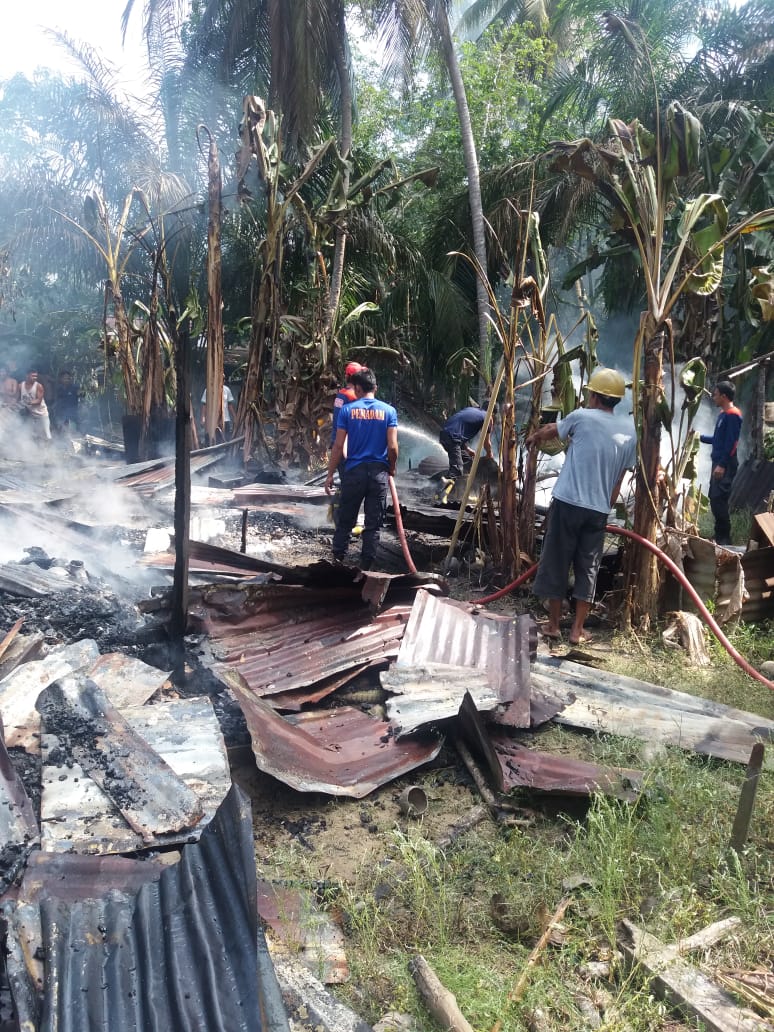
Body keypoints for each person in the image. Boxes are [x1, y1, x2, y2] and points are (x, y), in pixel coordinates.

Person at [525, 367, 636, 646]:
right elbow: (619, 478)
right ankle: (577, 630)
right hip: (598, 510)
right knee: (588, 568)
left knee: (557, 561)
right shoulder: (629, 431)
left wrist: (535, 436)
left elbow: (552, 430)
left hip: (568, 503)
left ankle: (553, 625)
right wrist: (604, 507)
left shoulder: (582, 416)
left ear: (596, 396)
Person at [324, 368, 398, 570]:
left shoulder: (347, 411)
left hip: (354, 473)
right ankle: (366, 566)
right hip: (378, 474)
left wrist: (330, 474)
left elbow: (338, 445)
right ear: (375, 388)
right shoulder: (389, 411)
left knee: (346, 520)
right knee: (373, 523)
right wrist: (391, 468)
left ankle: (337, 561)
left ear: (357, 388)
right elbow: (393, 447)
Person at [699, 380, 742, 546]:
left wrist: (722, 465)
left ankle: (724, 538)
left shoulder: (733, 415)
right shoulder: (723, 415)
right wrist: (699, 437)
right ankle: (719, 535)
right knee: (714, 497)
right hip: (718, 462)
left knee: (718, 498)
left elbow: (732, 443)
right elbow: (718, 439)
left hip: (725, 464)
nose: (713, 397)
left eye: (715, 394)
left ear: (724, 396)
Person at [439, 402, 494, 480]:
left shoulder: (470, 409)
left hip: (445, 435)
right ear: (492, 413)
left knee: (468, 460)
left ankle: (464, 480)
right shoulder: (488, 417)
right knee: (456, 472)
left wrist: (467, 449)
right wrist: (489, 454)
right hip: (453, 439)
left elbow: (458, 430)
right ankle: (446, 485)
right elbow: (486, 442)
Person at [331, 361, 363, 449]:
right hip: (347, 443)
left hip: (337, 439)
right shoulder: (355, 396)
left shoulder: (341, 394)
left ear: (346, 377)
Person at [19, 368, 52, 442]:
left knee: (47, 434)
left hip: (42, 414)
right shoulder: (21, 386)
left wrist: (27, 402)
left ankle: (51, 448)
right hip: (31, 415)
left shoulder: (39, 386)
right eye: (33, 376)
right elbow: (18, 398)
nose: (35, 378)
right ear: (27, 375)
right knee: (31, 433)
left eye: (36, 376)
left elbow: (38, 401)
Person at [200, 378, 237, 443]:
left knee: (226, 440)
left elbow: (230, 405)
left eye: (223, 379)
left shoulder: (227, 390)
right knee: (213, 440)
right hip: (212, 420)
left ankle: (226, 449)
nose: (222, 381)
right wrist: (203, 418)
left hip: (225, 420)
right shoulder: (208, 390)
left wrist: (235, 417)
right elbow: (204, 405)